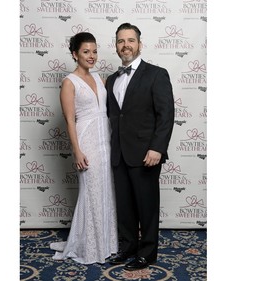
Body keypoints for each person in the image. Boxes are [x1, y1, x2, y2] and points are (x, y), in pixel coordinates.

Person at [105, 23, 175, 271]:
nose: (126, 45)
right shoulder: (111, 80)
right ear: (116, 46)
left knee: (147, 207)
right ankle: (128, 249)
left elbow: (166, 115)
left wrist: (157, 148)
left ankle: (147, 253)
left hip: (146, 154)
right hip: (119, 154)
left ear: (139, 44)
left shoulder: (156, 74)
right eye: (121, 41)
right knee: (124, 207)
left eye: (130, 40)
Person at [49, 32, 118, 264]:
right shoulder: (69, 82)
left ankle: (107, 243)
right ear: (75, 54)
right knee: (91, 194)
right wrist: (77, 151)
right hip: (86, 142)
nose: (92, 56)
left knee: (106, 191)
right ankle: (91, 247)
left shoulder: (101, 79)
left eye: (95, 51)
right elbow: (70, 120)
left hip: (105, 141)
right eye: (86, 52)